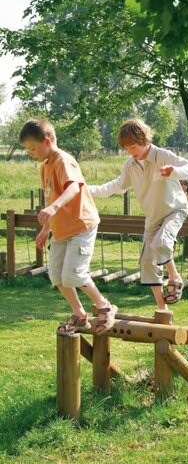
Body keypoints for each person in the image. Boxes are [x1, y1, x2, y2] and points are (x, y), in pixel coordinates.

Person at [19, 118, 117, 335]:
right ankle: (80, 314)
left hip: (81, 225)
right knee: (56, 275)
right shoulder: (45, 167)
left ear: (47, 141)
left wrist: (53, 208)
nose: (31, 153)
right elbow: (50, 196)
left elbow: (73, 189)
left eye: (33, 148)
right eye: (28, 150)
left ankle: (105, 305)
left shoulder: (64, 161)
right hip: (61, 230)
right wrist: (46, 228)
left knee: (74, 274)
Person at [89, 118, 188, 309]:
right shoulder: (130, 165)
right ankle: (161, 309)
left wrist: (175, 171)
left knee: (161, 243)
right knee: (147, 264)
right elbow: (117, 186)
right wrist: (88, 190)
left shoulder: (161, 155)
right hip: (153, 217)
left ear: (144, 140)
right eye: (127, 149)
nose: (131, 153)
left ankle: (174, 277)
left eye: (133, 147)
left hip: (174, 210)